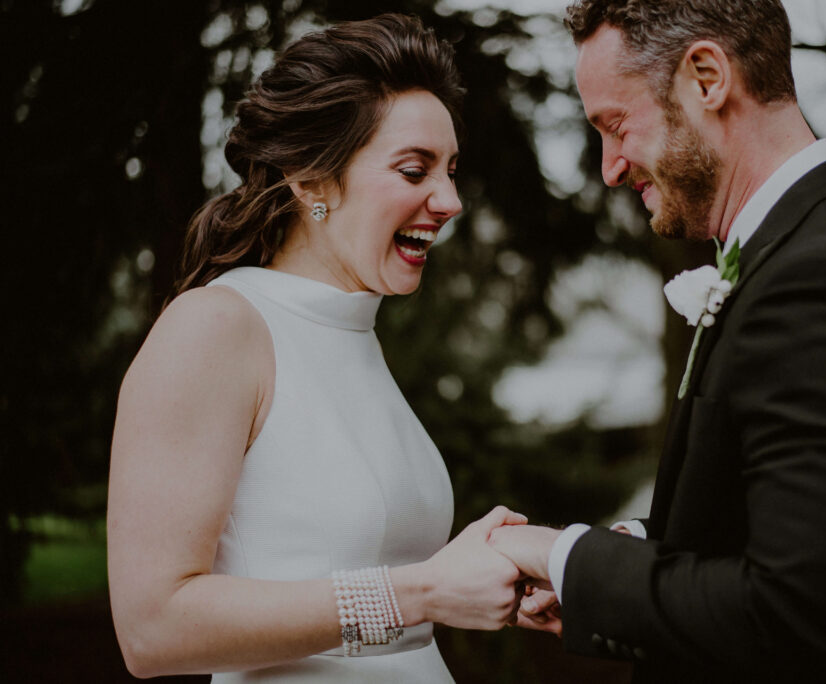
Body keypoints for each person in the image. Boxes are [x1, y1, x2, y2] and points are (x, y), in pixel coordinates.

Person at [488, 1, 826, 682]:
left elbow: (795, 617)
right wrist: (625, 555)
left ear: (708, 77)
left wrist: (561, 555)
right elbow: (775, 534)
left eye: (615, 125)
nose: (609, 169)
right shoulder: (797, 254)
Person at [107, 14, 526, 682]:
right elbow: (151, 625)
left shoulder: (354, 330)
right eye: (415, 169)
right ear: (310, 181)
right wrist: (417, 593)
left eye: (450, 170)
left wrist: (496, 568)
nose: (448, 200)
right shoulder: (214, 326)